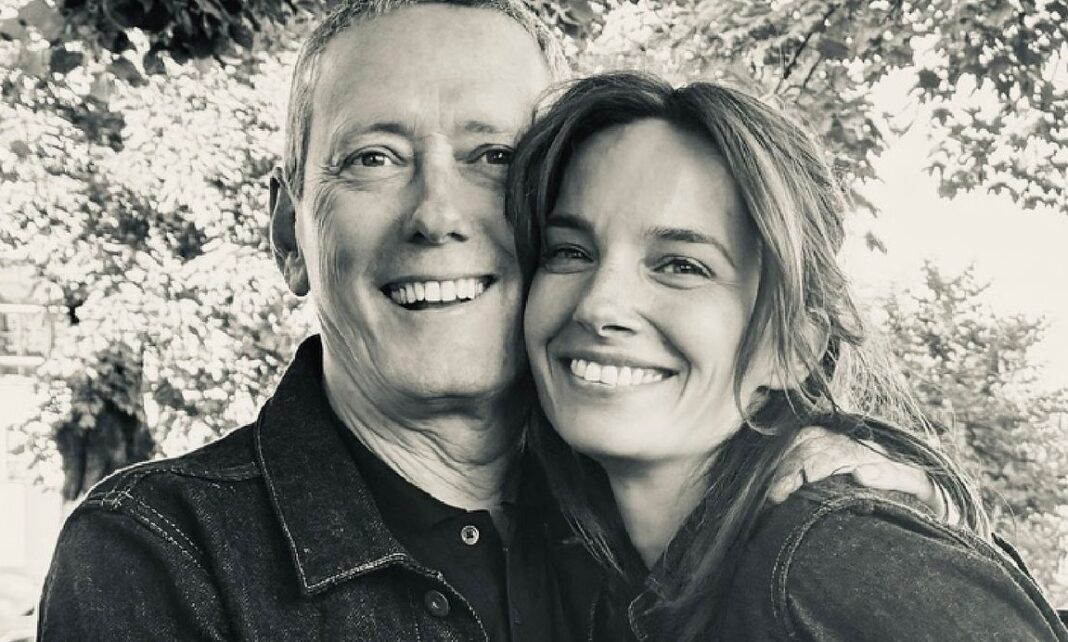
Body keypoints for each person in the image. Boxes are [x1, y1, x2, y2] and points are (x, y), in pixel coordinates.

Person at [38, 2, 952, 639]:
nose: (438, 214)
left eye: (493, 157)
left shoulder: (688, 525)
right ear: (289, 234)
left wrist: (878, 532)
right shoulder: (161, 555)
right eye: (373, 158)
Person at [507, 71, 1068, 641]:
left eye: (681, 265)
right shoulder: (596, 567)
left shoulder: (833, 560)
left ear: (794, 346)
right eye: (570, 252)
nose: (597, 305)